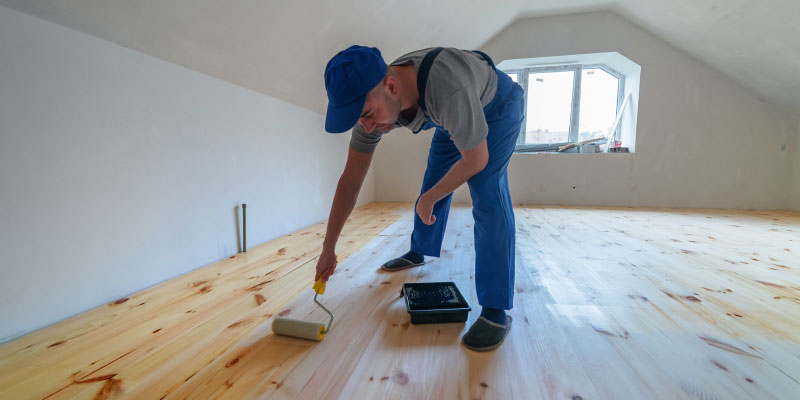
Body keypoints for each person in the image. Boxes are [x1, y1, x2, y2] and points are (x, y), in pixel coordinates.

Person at [315, 45, 523, 351]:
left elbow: (476, 160)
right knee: (434, 177)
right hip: (451, 115)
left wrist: (429, 199)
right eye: (360, 120)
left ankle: (496, 310)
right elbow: (350, 182)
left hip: (497, 106)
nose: (368, 127)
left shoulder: (446, 85)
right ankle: (420, 249)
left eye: (369, 115)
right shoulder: (375, 104)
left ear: (391, 86)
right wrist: (328, 248)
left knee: (487, 190)